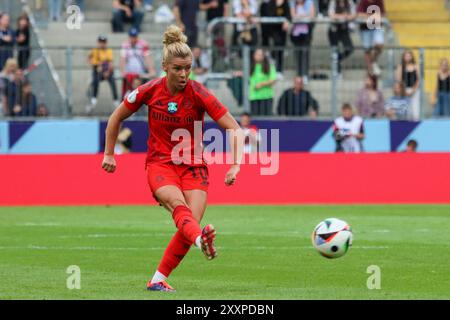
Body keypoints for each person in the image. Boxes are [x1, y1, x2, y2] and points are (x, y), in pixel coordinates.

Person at [101, 25, 244, 292]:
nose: (184, 74)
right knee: (180, 208)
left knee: (190, 222)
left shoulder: (199, 93)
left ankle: (157, 279)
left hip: (194, 166)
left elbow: (234, 128)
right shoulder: (149, 90)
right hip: (161, 165)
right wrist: (109, 153)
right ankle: (201, 242)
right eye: (178, 68)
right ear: (165, 66)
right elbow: (116, 117)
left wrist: (235, 164)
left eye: (188, 67)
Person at [120, 28, 156, 98]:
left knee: (139, 93)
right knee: (129, 95)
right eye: (132, 37)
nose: (133, 39)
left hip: (140, 73)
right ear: (129, 37)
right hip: (130, 73)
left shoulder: (143, 44)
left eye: (135, 37)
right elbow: (122, 60)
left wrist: (151, 70)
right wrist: (123, 72)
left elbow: (148, 59)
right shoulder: (125, 45)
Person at [87, 35, 120, 113]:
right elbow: (90, 59)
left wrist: (107, 71)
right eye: (100, 42)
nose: (102, 44)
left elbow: (110, 63)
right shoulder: (94, 51)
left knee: (113, 82)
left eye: (103, 42)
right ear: (98, 42)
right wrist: (97, 64)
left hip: (107, 70)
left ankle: (116, 100)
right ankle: (93, 99)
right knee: (95, 81)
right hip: (97, 71)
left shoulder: (108, 51)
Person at [260, 0, 291, 73]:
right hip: (270, 30)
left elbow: (288, 15)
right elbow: (268, 14)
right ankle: (267, 69)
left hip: (281, 32)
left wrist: (287, 21)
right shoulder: (268, 3)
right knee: (269, 50)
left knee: (279, 49)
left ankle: (279, 70)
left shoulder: (285, 3)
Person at [357, 0, 385, 76]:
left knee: (379, 45)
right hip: (365, 28)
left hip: (376, 27)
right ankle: (370, 70)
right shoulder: (363, 2)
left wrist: (368, 16)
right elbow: (359, 14)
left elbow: (382, 14)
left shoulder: (379, 1)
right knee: (367, 49)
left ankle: (372, 62)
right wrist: (374, 16)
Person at [328, 0, 356, 76]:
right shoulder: (333, 2)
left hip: (344, 29)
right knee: (335, 50)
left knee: (349, 49)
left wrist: (343, 16)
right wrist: (344, 16)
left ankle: (337, 59)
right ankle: (337, 71)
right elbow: (331, 15)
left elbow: (353, 15)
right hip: (334, 30)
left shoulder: (350, 2)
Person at [290, 0, 316, 82]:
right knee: (298, 54)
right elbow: (293, 16)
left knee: (305, 53)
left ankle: (305, 74)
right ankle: (299, 74)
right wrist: (304, 16)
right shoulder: (293, 3)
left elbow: (312, 16)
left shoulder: (309, 2)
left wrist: (300, 17)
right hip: (296, 33)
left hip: (306, 32)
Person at [249, 49, 277, 115]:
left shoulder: (269, 67)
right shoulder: (250, 67)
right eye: (257, 54)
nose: (258, 56)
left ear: (263, 56)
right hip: (254, 97)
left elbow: (273, 80)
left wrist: (261, 84)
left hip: (266, 97)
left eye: (260, 55)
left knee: (266, 119)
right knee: (255, 119)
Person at [395, 50, 420, 120]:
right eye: (406, 56)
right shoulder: (400, 67)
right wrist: (404, 91)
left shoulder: (416, 66)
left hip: (415, 90)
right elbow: (399, 79)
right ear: (403, 57)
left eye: (409, 56)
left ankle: (415, 124)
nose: (408, 57)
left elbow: (418, 79)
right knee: (407, 111)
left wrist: (413, 90)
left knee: (415, 111)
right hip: (404, 90)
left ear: (412, 57)